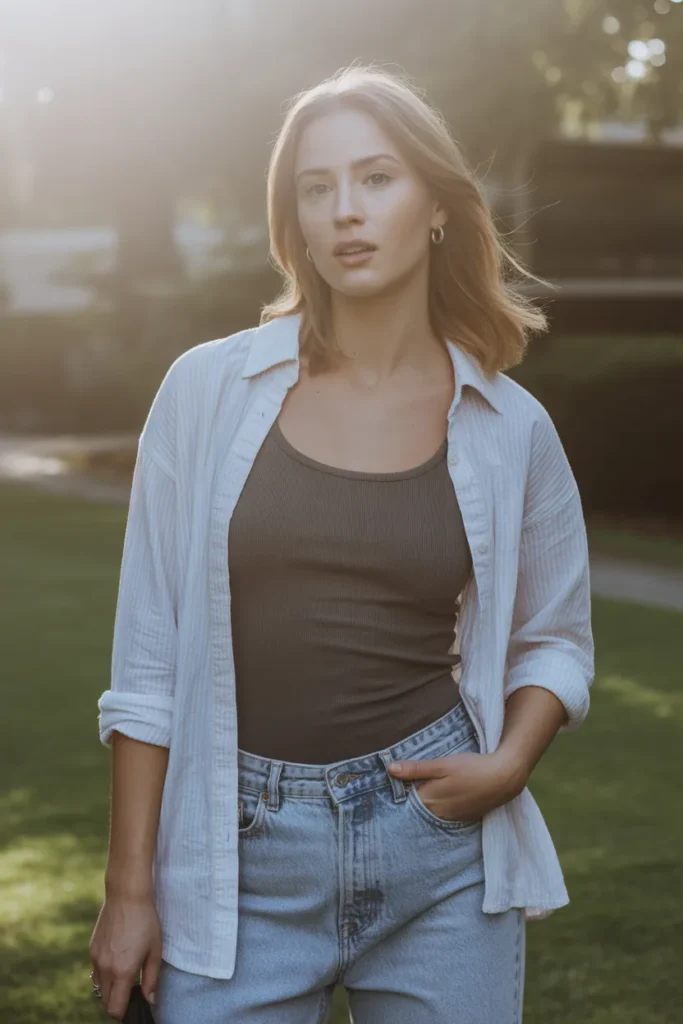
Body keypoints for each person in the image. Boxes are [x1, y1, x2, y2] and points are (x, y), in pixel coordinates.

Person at [89, 63, 594, 1023]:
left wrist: (509, 762)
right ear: (295, 223)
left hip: (437, 852)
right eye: (316, 189)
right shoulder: (205, 393)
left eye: (375, 179)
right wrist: (130, 890)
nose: (343, 212)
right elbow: (146, 663)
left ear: (437, 206)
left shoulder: (507, 425)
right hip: (236, 862)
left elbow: (554, 638)